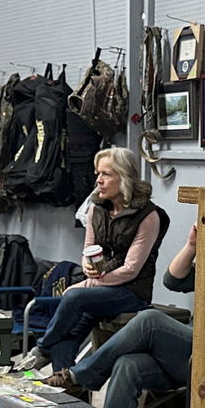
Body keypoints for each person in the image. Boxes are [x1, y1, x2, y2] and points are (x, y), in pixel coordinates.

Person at [41, 214, 205, 408]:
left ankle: (77, 377)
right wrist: (192, 245)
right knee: (128, 364)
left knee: (150, 319)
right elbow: (173, 280)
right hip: (191, 350)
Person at [15, 147, 170, 374]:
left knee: (74, 296)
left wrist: (90, 283)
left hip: (131, 291)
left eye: (106, 174)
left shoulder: (149, 216)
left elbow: (131, 269)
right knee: (69, 331)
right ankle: (67, 387)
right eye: (98, 173)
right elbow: (88, 250)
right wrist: (88, 268)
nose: (99, 180)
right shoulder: (96, 208)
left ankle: (42, 349)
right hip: (99, 287)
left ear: (124, 177)